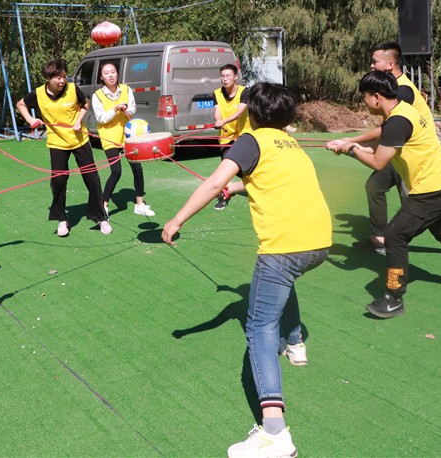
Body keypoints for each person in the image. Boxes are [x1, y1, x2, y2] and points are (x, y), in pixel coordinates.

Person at [162, 82, 331, 458]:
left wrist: (176, 220)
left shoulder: (250, 141)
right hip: (319, 244)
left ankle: (274, 432)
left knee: (259, 328)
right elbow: (270, 179)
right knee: (284, 282)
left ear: (253, 114)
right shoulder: (290, 144)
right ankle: (296, 343)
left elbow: (213, 182)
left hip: (284, 246)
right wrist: (238, 189)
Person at [329, 71, 441, 318]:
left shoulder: (397, 121)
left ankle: (393, 297)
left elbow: (378, 162)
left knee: (394, 236)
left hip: (428, 193)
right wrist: (349, 145)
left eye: (365, 97)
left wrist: (351, 150)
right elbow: (383, 145)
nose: (364, 102)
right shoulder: (403, 111)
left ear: (377, 97)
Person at [330, 42, 441, 253]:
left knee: (418, 211)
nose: (371, 65)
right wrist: (351, 144)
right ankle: (381, 236)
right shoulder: (391, 86)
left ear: (390, 65)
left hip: (412, 154)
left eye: (375, 62)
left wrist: (351, 143)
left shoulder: (402, 91)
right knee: (375, 186)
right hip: (397, 149)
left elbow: (388, 130)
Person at [16, 59, 111, 237]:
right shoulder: (38, 94)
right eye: (58, 78)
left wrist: (78, 120)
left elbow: (85, 104)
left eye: (64, 77)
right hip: (57, 143)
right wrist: (30, 119)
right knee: (59, 181)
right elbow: (21, 104)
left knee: (92, 178)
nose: (62, 81)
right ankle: (61, 218)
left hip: (79, 139)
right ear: (48, 78)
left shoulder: (72, 89)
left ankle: (101, 217)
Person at [91, 62, 155, 217]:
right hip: (109, 137)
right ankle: (103, 205)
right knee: (116, 171)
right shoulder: (97, 95)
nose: (110, 75)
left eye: (113, 72)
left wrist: (126, 108)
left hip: (128, 135)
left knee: (137, 169)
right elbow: (101, 118)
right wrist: (115, 109)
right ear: (101, 77)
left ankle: (140, 204)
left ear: (117, 74)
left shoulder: (126, 89)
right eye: (106, 73)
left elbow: (133, 109)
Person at [212, 63, 251, 210]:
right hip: (226, 137)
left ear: (235, 77)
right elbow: (217, 111)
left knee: (246, 170)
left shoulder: (244, 91)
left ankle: (256, 188)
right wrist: (218, 120)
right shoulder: (216, 93)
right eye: (222, 76)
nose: (225, 78)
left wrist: (224, 121)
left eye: (228, 75)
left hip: (243, 137)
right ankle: (224, 195)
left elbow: (239, 113)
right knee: (226, 171)